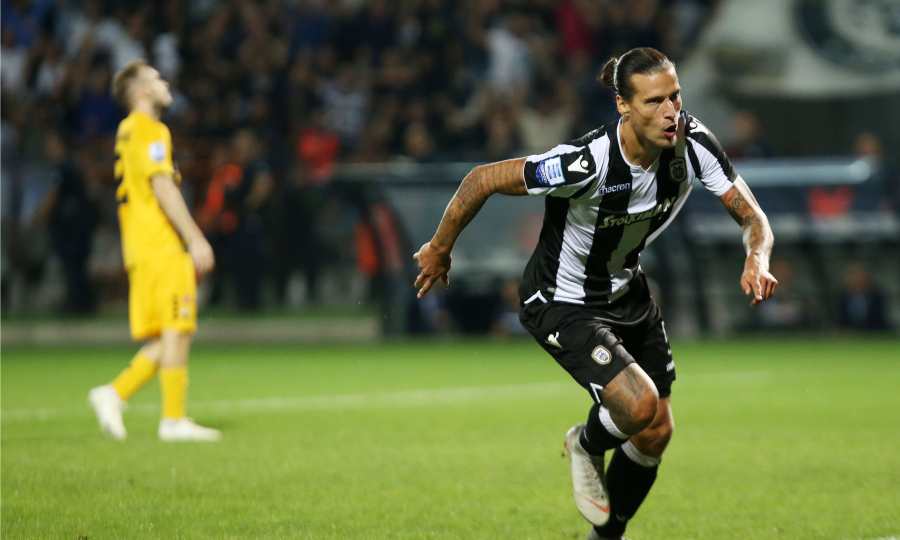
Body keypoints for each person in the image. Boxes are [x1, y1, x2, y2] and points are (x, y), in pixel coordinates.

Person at [413, 47, 778, 539]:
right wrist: (439, 248)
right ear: (623, 105)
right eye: (653, 102)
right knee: (638, 406)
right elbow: (482, 179)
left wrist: (757, 256)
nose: (670, 112)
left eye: (675, 96)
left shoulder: (693, 144)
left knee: (656, 431)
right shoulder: (585, 164)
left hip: (628, 292)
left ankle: (607, 536)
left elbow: (753, 217)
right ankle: (586, 442)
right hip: (562, 300)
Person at [88, 60, 221, 442]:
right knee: (179, 326)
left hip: (139, 245)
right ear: (143, 90)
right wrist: (194, 238)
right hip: (159, 243)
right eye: (157, 79)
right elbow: (162, 185)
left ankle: (115, 394)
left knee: (169, 333)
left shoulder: (127, 130)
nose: (164, 83)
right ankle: (172, 420)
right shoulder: (150, 129)